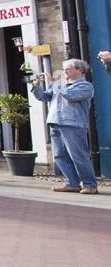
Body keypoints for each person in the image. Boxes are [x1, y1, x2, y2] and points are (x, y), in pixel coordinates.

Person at [30, 59, 98, 195]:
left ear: (79, 70)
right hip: (55, 122)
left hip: (72, 124)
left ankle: (90, 185)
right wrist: (36, 86)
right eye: (63, 69)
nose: (64, 72)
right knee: (59, 156)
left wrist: (52, 83)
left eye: (68, 69)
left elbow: (70, 96)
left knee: (78, 156)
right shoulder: (59, 85)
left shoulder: (85, 86)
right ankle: (72, 183)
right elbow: (44, 97)